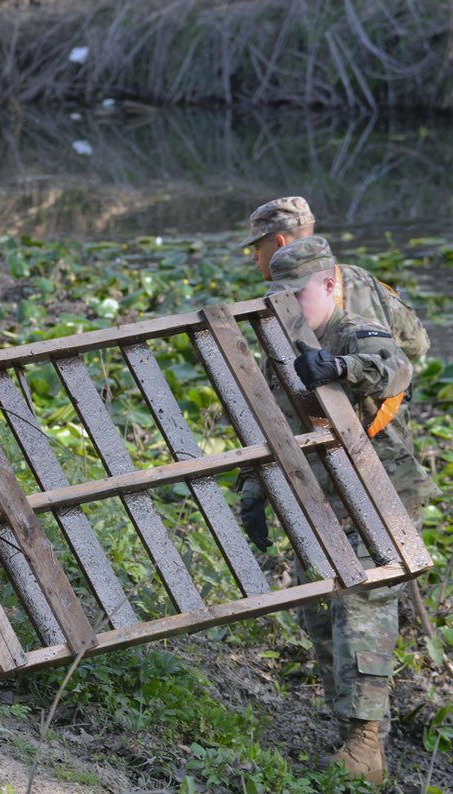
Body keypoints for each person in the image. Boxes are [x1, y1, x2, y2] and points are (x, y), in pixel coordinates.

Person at [240, 237, 438, 784]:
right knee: (320, 614)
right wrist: (253, 493)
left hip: (380, 494)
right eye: (278, 294)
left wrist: (341, 367)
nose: (286, 305)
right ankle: (349, 732)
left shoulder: (354, 331)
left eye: (297, 293)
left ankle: (365, 743)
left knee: (362, 604)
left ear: (328, 285)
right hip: (320, 496)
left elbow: (395, 367)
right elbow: (272, 421)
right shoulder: (281, 341)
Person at [241, 196, 429, 359]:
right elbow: (417, 345)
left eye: (257, 247)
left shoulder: (281, 299)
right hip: (385, 396)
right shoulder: (364, 279)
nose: (254, 256)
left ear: (279, 243)